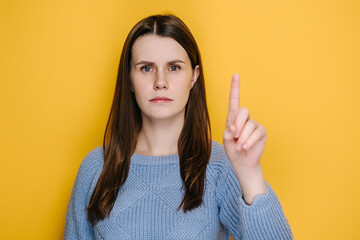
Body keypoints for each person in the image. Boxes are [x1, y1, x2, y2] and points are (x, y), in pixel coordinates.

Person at [64, 14, 293, 240]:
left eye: (174, 68)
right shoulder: (96, 168)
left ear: (193, 77)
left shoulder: (220, 167)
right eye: (146, 68)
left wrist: (250, 174)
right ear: (129, 79)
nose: (160, 82)